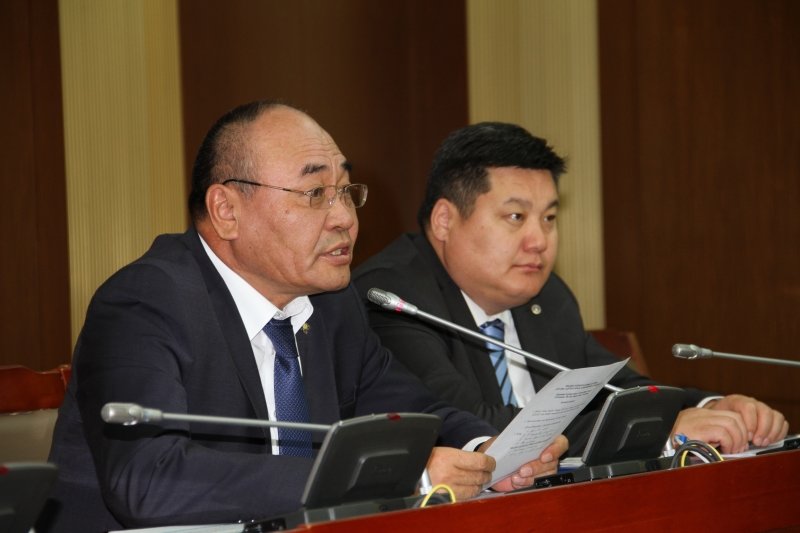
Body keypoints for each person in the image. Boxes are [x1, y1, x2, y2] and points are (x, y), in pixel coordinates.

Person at [40, 103, 568, 532]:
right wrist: (396, 476)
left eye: (346, 192)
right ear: (226, 210)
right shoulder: (145, 302)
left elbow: (416, 408)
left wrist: (489, 451)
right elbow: (147, 481)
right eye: (315, 194)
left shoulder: (332, 305)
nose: (344, 218)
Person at [353, 121, 789, 457]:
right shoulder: (393, 296)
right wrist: (662, 431)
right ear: (445, 220)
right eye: (516, 217)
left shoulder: (545, 295)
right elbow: (469, 423)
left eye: (549, 218)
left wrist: (710, 407)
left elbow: (618, 388)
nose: (539, 241)